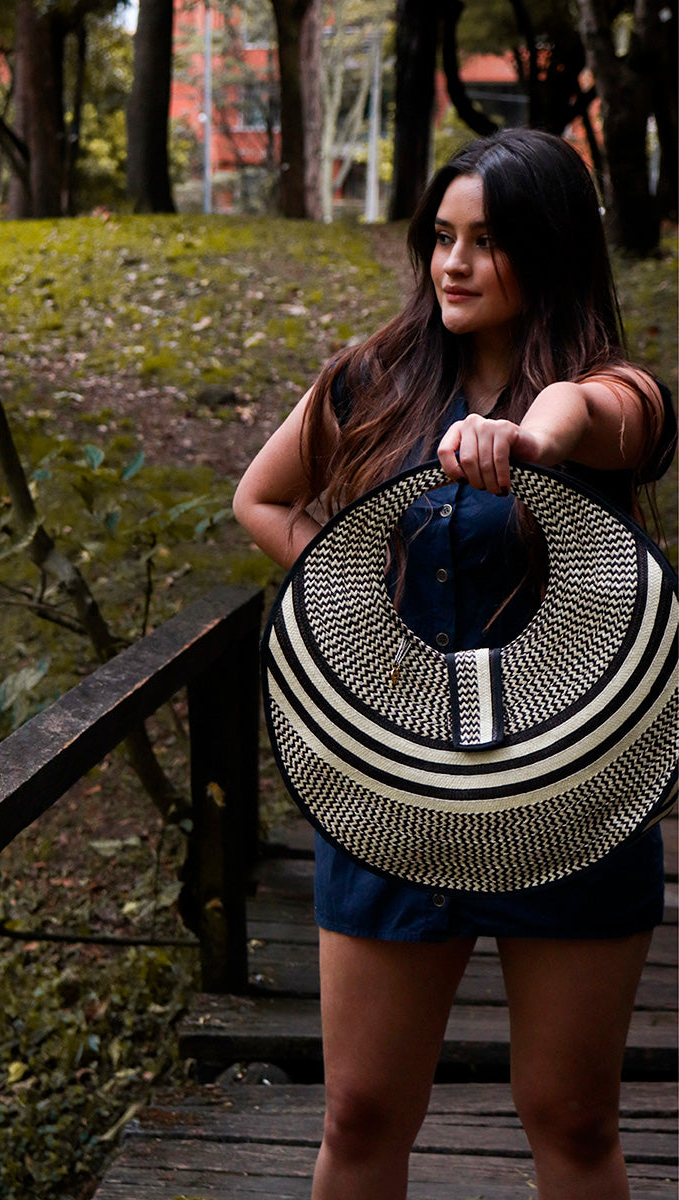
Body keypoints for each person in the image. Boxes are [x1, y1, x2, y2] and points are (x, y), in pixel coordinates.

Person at [233, 128, 677, 1200]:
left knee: (573, 1122)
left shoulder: (617, 394)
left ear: (550, 250)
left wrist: (525, 437)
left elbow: (586, 413)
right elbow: (262, 498)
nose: (454, 264)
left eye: (487, 241)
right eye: (441, 237)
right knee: (361, 1115)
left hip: (574, 798)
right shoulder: (370, 381)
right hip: (394, 795)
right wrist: (354, 601)